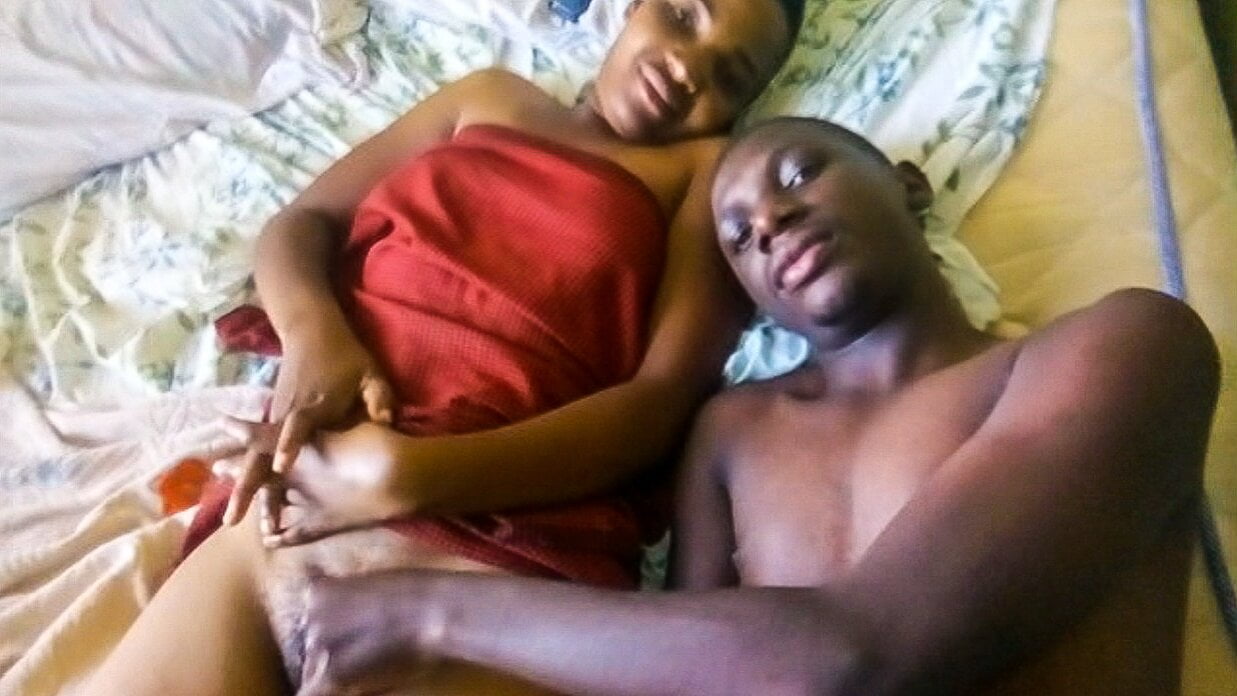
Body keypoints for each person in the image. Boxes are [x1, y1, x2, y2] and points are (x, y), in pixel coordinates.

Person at [293, 117, 1222, 695]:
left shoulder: (1120, 348)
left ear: (907, 185)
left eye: (795, 175)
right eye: (737, 237)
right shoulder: (732, 432)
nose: (769, 223)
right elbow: (680, 678)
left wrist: (422, 613)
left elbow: (851, 659)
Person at [85, 1, 806, 694]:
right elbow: (303, 224)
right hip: (290, 517)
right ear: (634, 6)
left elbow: (659, 403)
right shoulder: (487, 97)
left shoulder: (707, 175)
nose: (687, 68)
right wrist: (316, 339)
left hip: (492, 570)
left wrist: (414, 478)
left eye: (730, 75)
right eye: (681, 16)